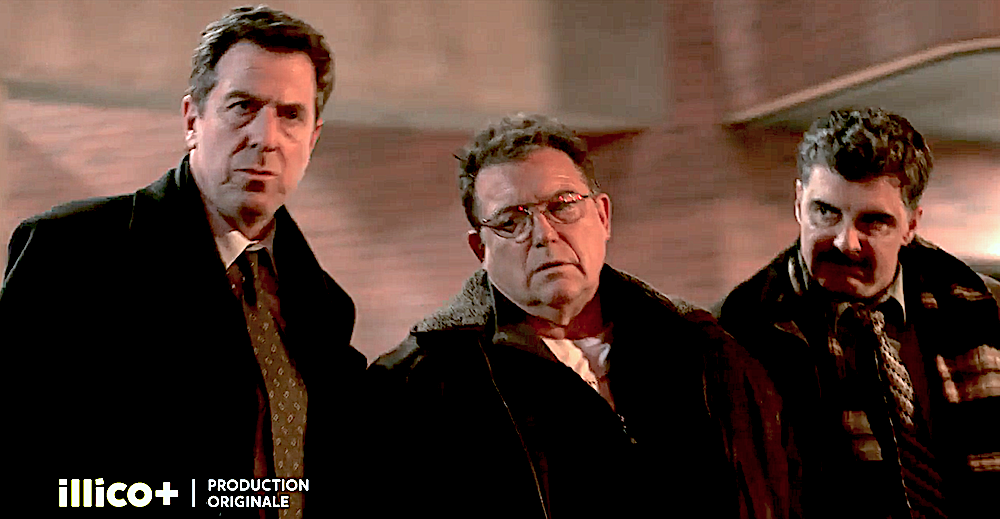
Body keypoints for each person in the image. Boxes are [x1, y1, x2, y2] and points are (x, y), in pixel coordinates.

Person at [0, 6, 363, 517]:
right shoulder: (73, 252)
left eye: (290, 115)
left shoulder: (324, 305)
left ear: (313, 137)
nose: (266, 137)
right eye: (242, 106)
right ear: (193, 119)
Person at [364, 114, 789, 518]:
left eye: (562, 205)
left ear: (602, 216)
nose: (544, 235)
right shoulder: (421, 382)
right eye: (511, 221)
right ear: (481, 250)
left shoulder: (700, 347)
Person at [715, 108, 1000, 518]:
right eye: (825, 212)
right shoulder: (741, 333)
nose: (845, 242)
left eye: (873, 221)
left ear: (911, 225)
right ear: (798, 203)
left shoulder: (981, 309)